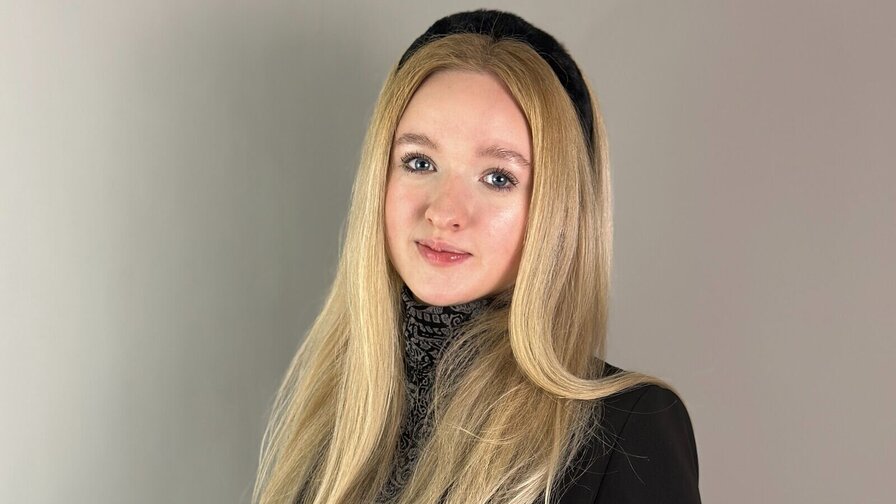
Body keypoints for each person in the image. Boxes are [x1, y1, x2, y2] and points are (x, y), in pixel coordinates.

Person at [253, 9, 701, 504]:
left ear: (557, 210)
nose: (444, 212)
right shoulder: (329, 422)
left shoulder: (628, 434)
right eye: (419, 162)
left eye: (498, 177)